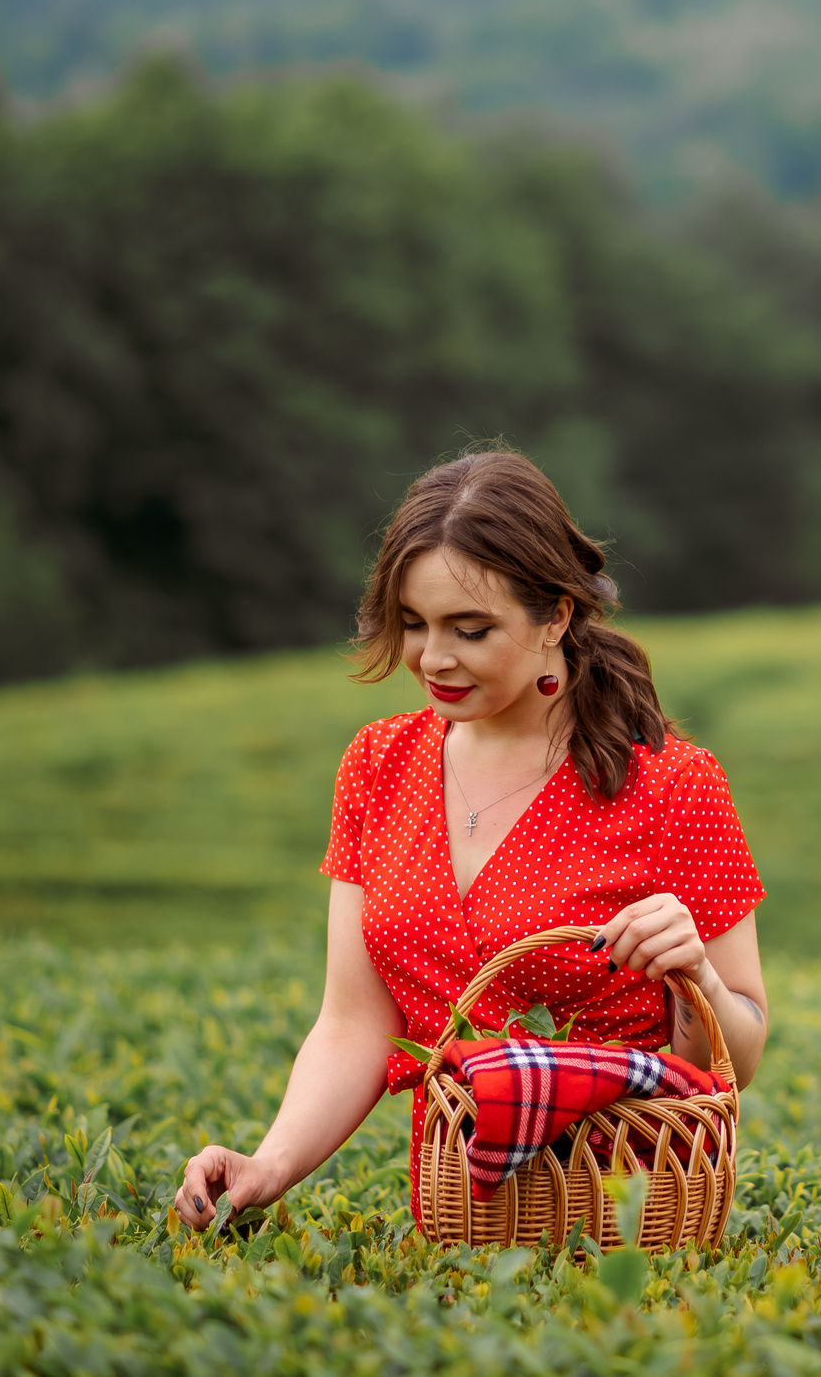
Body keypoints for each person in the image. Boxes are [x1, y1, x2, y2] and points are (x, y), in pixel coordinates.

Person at [174, 450, 769, 1230]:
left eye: (471, 628)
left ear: (556, 614)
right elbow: (356, 1020)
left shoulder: (671, 784)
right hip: (457, 1217)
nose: (434, 658)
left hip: (628, 1210)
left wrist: (696, 976)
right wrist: (272, 1160)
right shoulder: (377, 763)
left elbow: (738, 1053)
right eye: (413, 624)